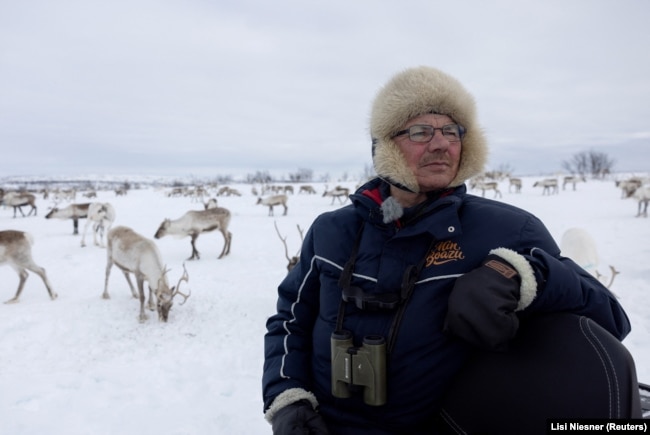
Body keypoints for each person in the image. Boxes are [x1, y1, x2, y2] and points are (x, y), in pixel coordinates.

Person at [262, 66, 637, 434]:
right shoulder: (331, 231)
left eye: (452, 131)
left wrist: (521, 275)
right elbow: (290, 320)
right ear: (385, 145)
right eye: (421, 131)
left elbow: (610, 317)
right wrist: (287, 398)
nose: (441, 144)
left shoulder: (509, 229)